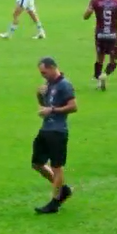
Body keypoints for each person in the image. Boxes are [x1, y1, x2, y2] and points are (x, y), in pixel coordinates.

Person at [32, 56, 77, 214]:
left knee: (57, 167)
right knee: (37, 163)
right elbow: (46, 105)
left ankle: (55, 202)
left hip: (58, 131)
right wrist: (39, 95)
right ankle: (62, 189)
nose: (43, 76)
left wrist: (52, 110)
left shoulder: (65, 85)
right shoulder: (49, 84)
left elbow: (73, 107)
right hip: (46, 129)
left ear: (52, 68)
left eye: (44, 72)